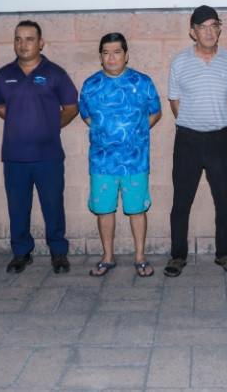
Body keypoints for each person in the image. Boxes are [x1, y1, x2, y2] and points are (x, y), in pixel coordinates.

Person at [0, 20, 79, 274]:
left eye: (29, 39)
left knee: (53, 206)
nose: (23, 44)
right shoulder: (3, 75)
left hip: (48, 156)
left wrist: (51, 125)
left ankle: (58, 253)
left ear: (41, 43)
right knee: (17, 207)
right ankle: (21, 253)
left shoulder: (55, 73)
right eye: (18, 39)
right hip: (14, 156)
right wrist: (18, 118)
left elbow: (72, 108)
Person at [165, 5, 227, 277]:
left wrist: (214, 120)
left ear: (219, 29)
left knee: (224, 200)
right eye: (202, 27)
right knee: (181, 202)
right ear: (192, 32)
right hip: (187, 139)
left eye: (213, 25)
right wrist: (194, 123)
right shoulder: (179, 62)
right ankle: (177, 256)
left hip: (220, 139)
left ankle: (224, 253)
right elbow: (175, 101)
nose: (208, 32)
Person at [79, 33, 162, 277]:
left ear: (126, 55)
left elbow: (155, 112)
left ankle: (140, 257)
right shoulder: (90, 85)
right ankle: (107, 256)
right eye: (106, 52)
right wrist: (106, 136)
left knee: (137, 209)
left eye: (116, 52)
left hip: (135, 161)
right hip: (102, 162)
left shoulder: (143, 82)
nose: (111, 57)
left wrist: (135, 135)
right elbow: (87, 116)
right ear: (100, 57)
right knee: (104, 210)